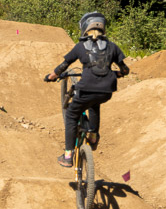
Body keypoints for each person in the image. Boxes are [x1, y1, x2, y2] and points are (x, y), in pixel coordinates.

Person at [45, 12, 130, 167]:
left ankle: (68, 155)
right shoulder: (113, 47)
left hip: (86, 89)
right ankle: (92, 136)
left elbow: (64, 65)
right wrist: (114, 74)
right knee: (94, 104)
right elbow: (125, 70)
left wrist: (51, 76)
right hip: (106, 92)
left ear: (85, 28)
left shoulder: (81, 46)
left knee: (71, 115)